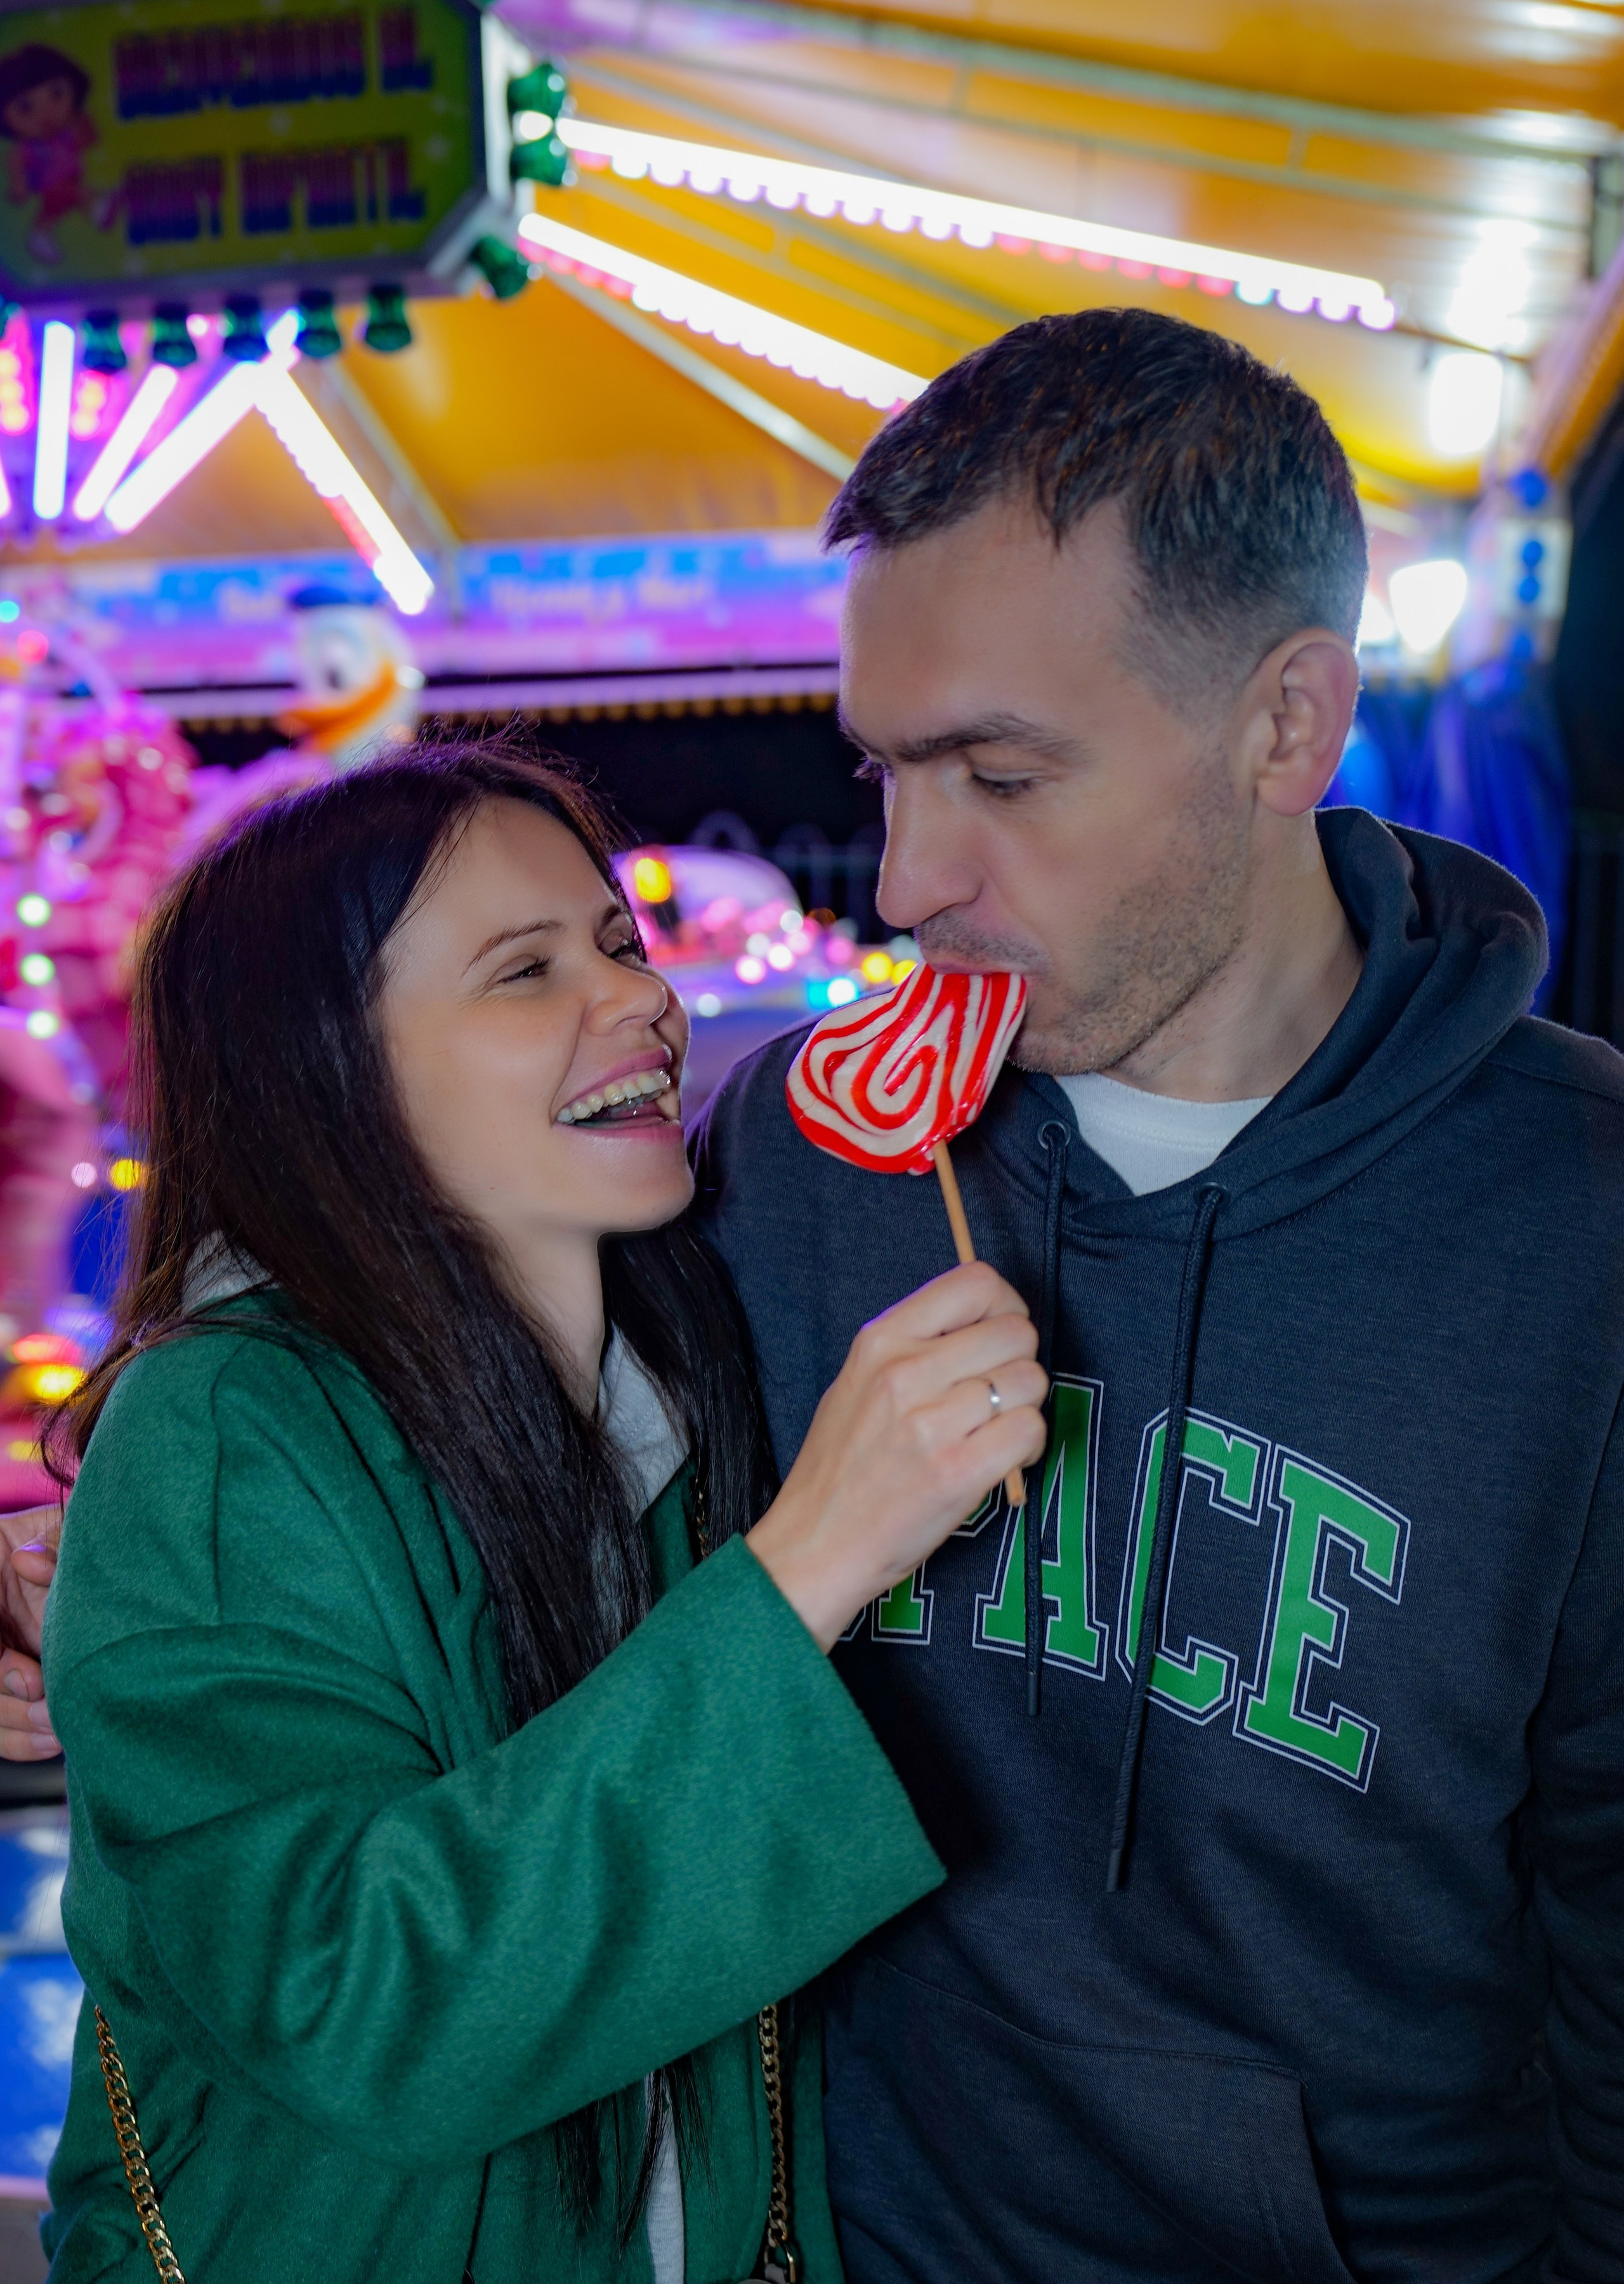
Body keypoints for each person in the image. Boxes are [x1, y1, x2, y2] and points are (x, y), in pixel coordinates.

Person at [689, 310, 1624, 2279]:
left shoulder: (1584, 1226)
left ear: (1289, 724)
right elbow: (522, 1499)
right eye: (884, 773)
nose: (903, 880)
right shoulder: (802, 1154)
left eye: (1001, 777)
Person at [30, 745, 1048, 2281]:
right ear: (329, 1071)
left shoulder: (679, 1381)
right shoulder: (225, 1429)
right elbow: (359, 1995)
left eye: (618, 942)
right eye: (524, 972)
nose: (638, 997)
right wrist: (816, 1555)